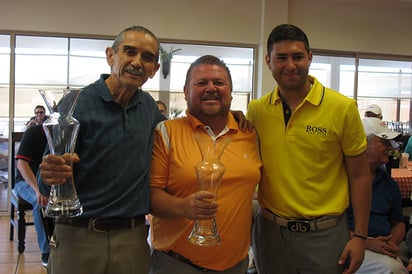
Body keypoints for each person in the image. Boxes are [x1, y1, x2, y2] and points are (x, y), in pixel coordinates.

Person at [37, 26, 165, 274]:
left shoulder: (149, 109)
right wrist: (48, 175)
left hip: (133, 238)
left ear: (154, 69)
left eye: (147, 57)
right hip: (78, 236)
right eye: (129, 52)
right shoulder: (76, 104)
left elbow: (181, 135)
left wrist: (229, 116)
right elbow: (48, 180)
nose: (137, 63)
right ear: (110, 55)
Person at [246, 24, 372, 274]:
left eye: (298, 56)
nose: (290, 65)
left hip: (324, 237)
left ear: (310, 58)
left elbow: (360, 175)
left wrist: (360, 236)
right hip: (270, 234)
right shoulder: (257, 111)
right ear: (268, 61)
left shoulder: (342, 108)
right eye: (281, 57)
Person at [149, 55, 262, 273]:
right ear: (185, 92)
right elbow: (151, 196)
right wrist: (183, 207)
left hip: (235, 266)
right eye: (201, 83)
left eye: (219, 83)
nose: (211, 88)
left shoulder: (250, 134)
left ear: (230, 91)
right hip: (176, 265)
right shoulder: (166, 132)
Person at [347, 117, 407, 274]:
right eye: (383, 142)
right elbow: (334, 226)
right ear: (363, 144)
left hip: (383, 249)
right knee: (391, 269)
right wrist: (367, 243)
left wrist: (389, 245)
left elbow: (399, 223)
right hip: (348, 245)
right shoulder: (341, 181)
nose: (390, 148)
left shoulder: (389, 183)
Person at [14, 124, 49, 267]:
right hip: (25, 181)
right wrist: (38, 189)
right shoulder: (33, 133)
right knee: (39, 201)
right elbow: (21, 165)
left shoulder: (63, 134)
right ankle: (46, 252)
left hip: (47, 182)